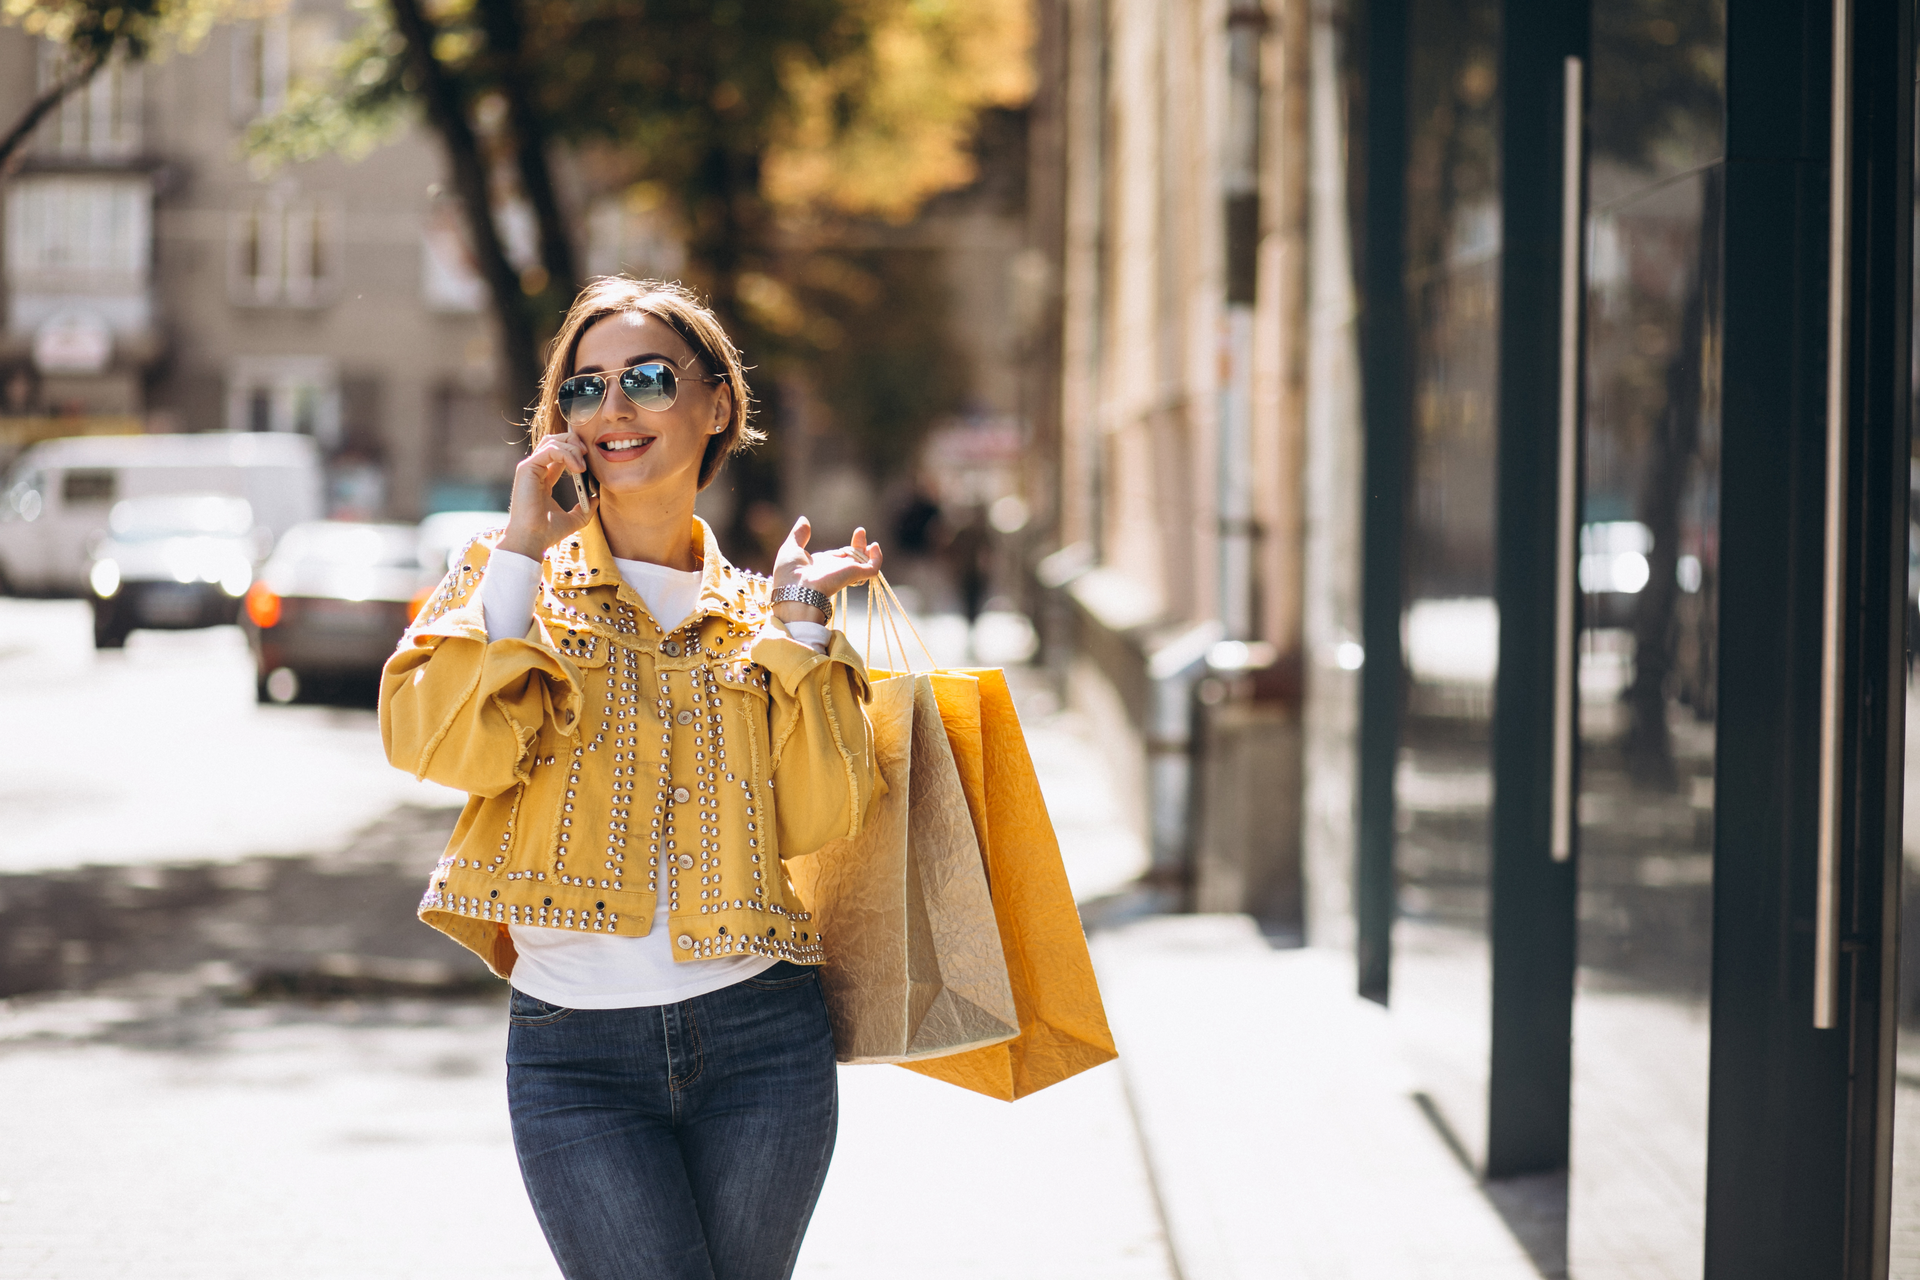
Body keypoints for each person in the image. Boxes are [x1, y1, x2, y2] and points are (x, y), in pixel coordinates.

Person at [380, 277, 884, 1280]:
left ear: (717, 406)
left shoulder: (759, 611)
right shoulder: (506, 581)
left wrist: (798, 632)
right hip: (576, 1059)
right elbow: (430, 741)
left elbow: (825, 815)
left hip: (764, 1045)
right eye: (585, 387)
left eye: (650, 379)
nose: (613, 408)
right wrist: (522, 546)